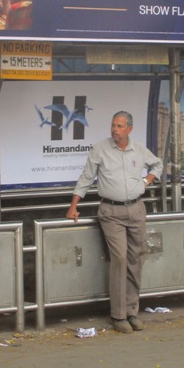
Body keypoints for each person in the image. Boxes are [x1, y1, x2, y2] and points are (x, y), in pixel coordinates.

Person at [66, 110, 163, 334]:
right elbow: (86, 177)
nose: (114, 130)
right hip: (111, 211)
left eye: (119, 126)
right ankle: (118, 316)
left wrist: (146, 181)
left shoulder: (139, 149)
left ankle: (132, 311)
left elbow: (157, 164)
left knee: (136, 258)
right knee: (119, 258)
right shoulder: (100, 149)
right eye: (113, 125)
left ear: (129, 129)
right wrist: (73, 205)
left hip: (136, 209)